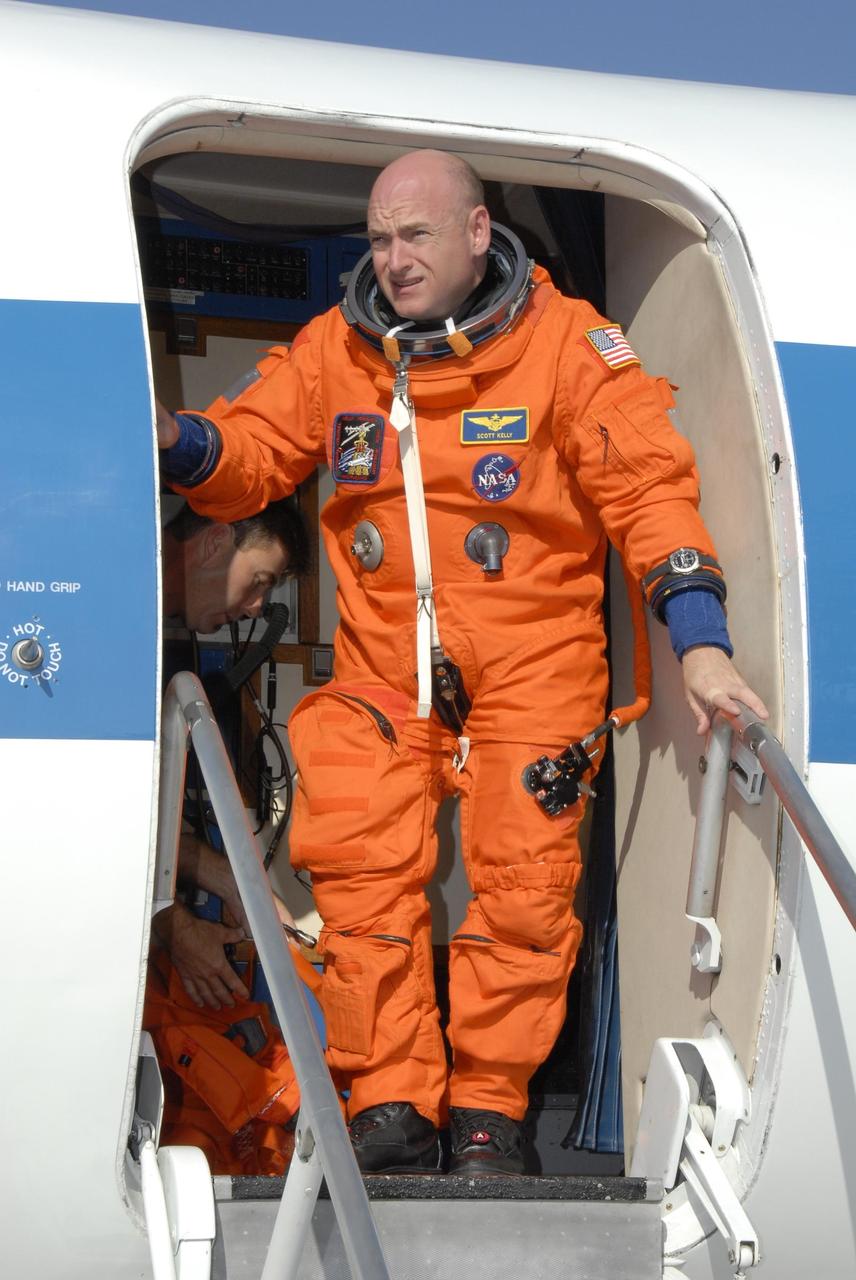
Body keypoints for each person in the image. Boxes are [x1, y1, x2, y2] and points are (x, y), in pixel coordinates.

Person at [155, 149, 768, 1176]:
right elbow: (249, 452)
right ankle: (392, 1098)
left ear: (478, 233)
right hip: (384, 659)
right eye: (379, 238)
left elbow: (647, 494)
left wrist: (699, 646)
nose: (392, 258)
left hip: (535, 656)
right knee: (357, 872)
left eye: (416, 235)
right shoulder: (334, 353)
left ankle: (489, 1108)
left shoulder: (570, 346)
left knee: (524, 891)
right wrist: (170, 438)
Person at [153, 498, 309, 1010]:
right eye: (260, 579)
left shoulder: (150, 625)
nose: (259, 607)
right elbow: (79, 819)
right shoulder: (106, 618)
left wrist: (233, 881)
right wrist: (171, 927)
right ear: (216, 542)